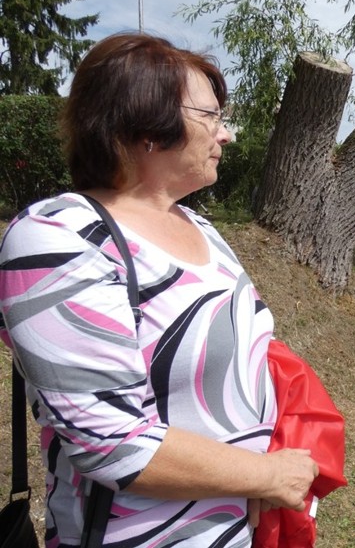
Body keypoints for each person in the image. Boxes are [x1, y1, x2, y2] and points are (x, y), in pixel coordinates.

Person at [0, 33, 319, 546]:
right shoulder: (59, 237)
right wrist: (265, 475)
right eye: (210, 116)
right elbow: (111, 441)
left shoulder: (200, 227)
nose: (226, 134)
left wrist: (266, 461)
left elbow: (249, 357)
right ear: (146, 128)